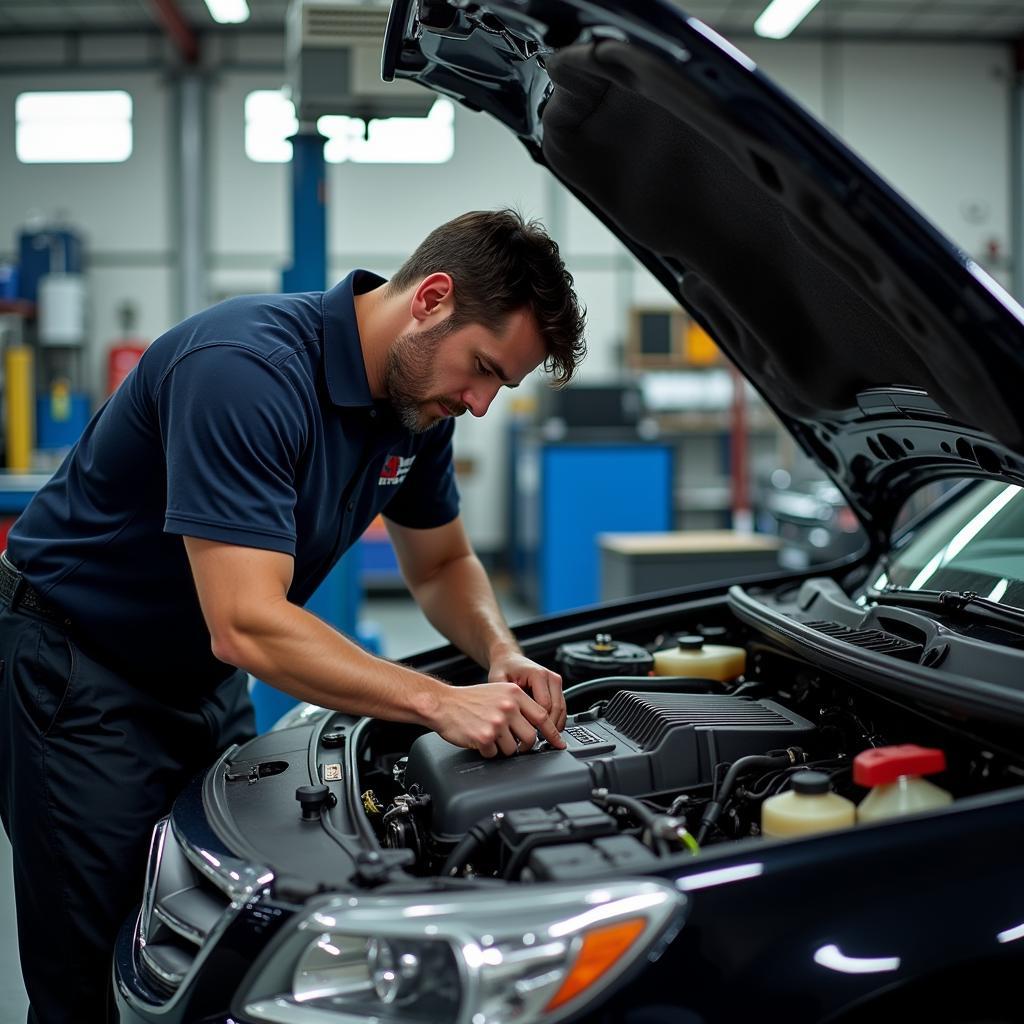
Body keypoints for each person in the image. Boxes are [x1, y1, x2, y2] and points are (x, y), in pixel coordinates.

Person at [0, 208, 587, 1023]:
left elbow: (444, 562)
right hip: (78, 670)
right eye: (483, 368)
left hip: (199, 677)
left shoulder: (419, 411)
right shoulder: (246, 370)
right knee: (102, 975)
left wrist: (500, 653)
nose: (482, 403)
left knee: (214, 939)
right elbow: (244, 621)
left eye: (501, 386)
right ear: (432, 298)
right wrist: (438, 700)